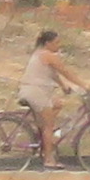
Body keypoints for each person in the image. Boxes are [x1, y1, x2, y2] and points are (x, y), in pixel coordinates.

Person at [16, 23, 73, 160]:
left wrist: (63, 86)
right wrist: (84, 85)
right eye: (56, 42)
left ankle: (42, 135)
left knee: (58, 104)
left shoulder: (39, 53)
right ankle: (48, 159)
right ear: (48, 43)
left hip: (29, 91)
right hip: (36, 93)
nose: (59, 45)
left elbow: (53, 74)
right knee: (49, 126)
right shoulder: (48, 55)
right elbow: (65, 71)